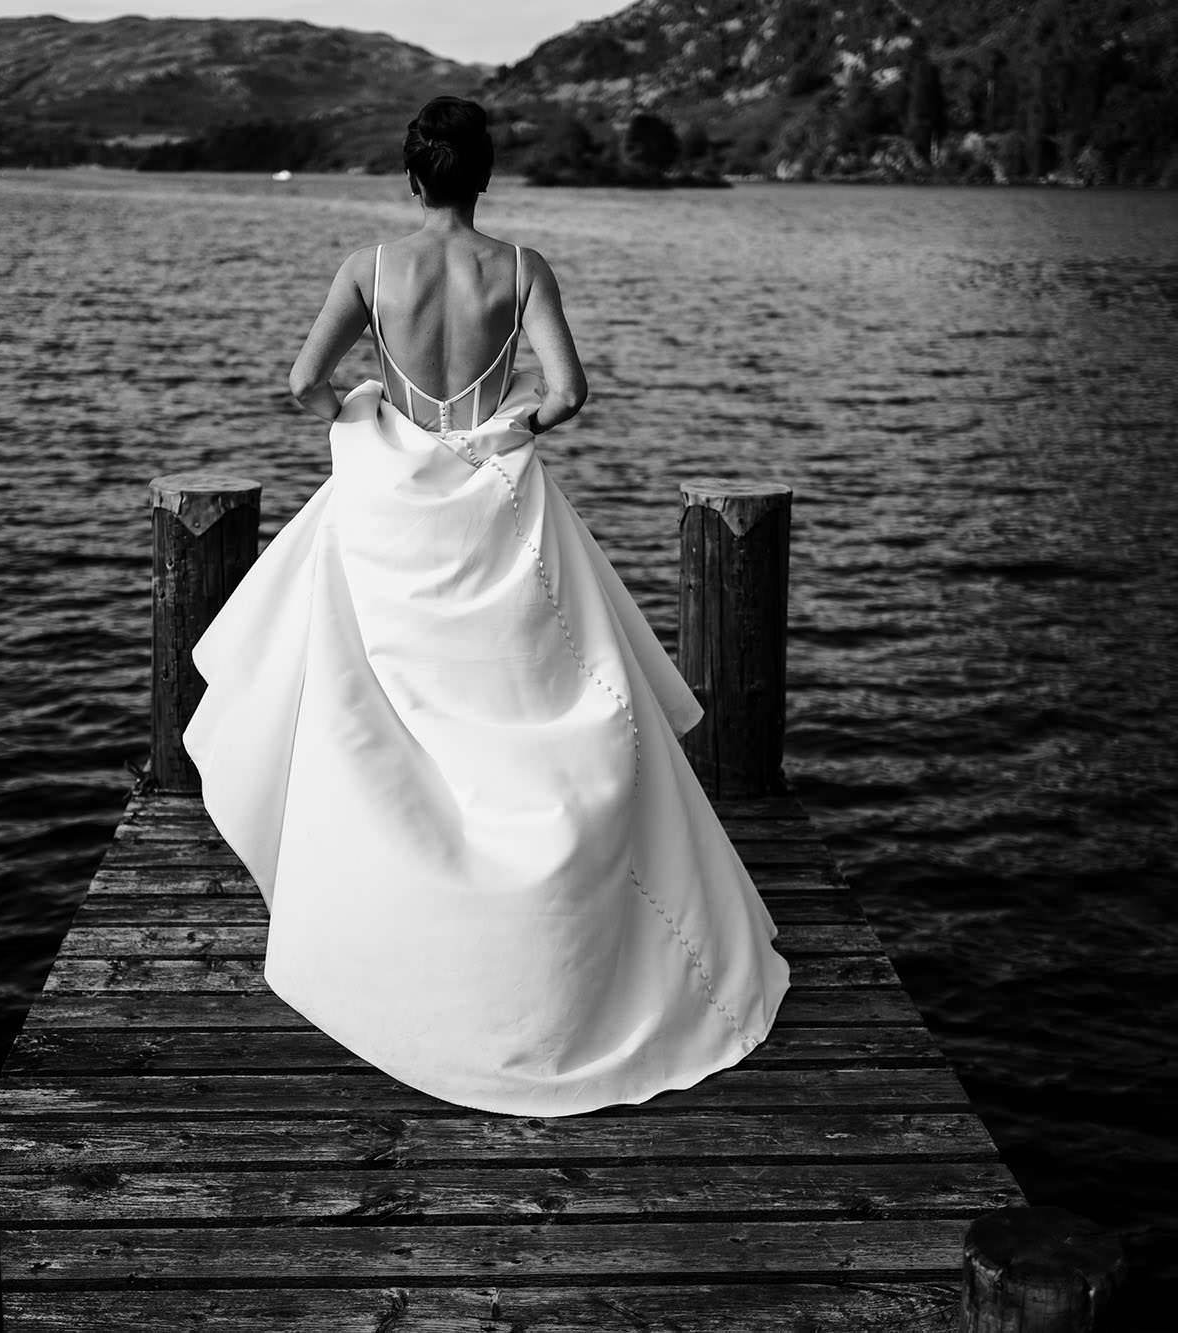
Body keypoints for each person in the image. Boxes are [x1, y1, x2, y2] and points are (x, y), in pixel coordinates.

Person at [184, 96, 789, 1116]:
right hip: (494, 507)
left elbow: (299, 384)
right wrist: (510, 424)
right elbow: (570, 392)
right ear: (483, 175)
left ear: (411, 177)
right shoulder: (521, 268)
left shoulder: (367, 270)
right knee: (526, 709)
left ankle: (396, 922)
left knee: (391, 719)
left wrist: (368, 409)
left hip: (389, 514)